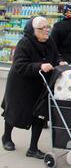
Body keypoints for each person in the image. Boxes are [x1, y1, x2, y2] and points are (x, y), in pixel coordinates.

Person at [1, 17, 66, 159]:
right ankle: (6, 137)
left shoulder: (50, 41)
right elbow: (19, 65)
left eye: (47, 27)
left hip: (41, 84)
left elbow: (56, 55)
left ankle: (33, 148)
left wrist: (60, 61)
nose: (46, 30)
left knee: (39, 115)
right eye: (41, 28)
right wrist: (39, 66)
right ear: (32, 30)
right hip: (21, 84)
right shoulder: (24, 43)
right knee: (14, 112)